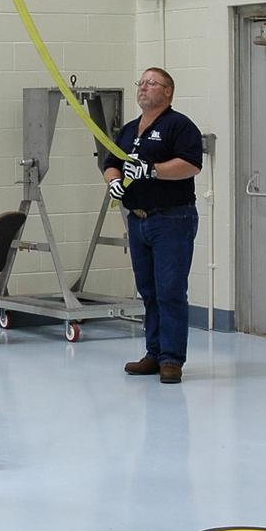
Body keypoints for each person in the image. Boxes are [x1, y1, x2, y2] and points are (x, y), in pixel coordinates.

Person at [103, 68, 203, 384]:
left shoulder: (179, 125)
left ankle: (172, 359)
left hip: (172, 219)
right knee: (148, 290)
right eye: (141, 82)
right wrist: (114, 182)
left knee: (170, 289)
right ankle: (154, 352)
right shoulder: (130, 130)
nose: (144, 87)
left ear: (168, 91)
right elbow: (110, 162)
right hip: (138, 219)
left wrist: (153, 171)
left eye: (152, 83)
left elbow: (191, 165)